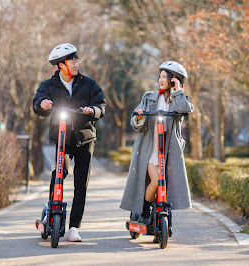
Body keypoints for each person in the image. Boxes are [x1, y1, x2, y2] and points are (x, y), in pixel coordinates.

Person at [33, 43, 106, 242]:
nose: (75, 63)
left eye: (76, 59)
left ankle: (74, 227)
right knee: (59, 172)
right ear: (60, 65)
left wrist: (93, 111)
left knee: (81, 182)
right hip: (62, 137)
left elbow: (101, 105)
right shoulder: (48, 85)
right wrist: (43, 104)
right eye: (71, 60)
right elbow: (37, 104)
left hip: (84, 137)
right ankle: (52, 210)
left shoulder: (88, 83)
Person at [120, 61, 193, 224]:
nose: (161, 80)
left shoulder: (178, 99)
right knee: (157, 180)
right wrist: (139, 117)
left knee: (164, 183)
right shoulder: (149, 97)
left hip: (169, 150)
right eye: (160, 76)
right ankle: (145, 209)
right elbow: (135, 121)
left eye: (165, 77)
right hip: (150, 148)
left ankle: (159, 211)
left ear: (173, 79)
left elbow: (185, 108)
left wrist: (177, 90)